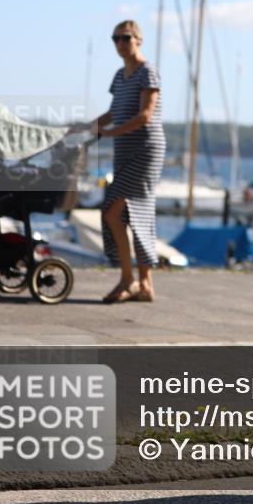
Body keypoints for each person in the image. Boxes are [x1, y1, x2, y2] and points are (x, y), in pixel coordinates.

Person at [80, 20, 165, 303]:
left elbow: (145, 117)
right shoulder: (119, 76)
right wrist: (87, 128)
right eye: (115, 38)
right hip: (124, 150)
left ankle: (128, 280)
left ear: (138, 40)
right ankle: (145, 284)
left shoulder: (148, 72)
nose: (120, 43)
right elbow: (114, 111)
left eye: (126, 38)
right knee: (134, 214)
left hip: (145, 150)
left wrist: (109, 133)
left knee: (113, 212)